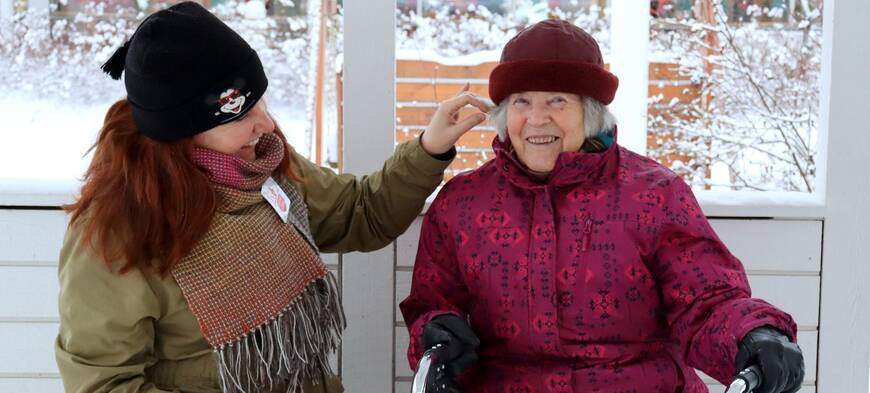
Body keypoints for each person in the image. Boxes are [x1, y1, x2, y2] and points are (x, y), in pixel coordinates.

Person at [54, 2, 490, 393]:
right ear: (183, 133)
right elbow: (104, 382)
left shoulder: (265, 167)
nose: (265, 123)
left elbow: (361, 213)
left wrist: (430, 148)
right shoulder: (117, 229)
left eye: (261, 100)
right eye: (243, 114)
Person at [400, 19, 804, 393]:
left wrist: (754, 334)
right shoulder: (463, 204)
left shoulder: (654, 195)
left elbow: (706, 300)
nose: (537, 119)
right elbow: (433, 303)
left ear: (589, 112)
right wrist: (437, 333)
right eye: (522, 102)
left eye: (557, 101)